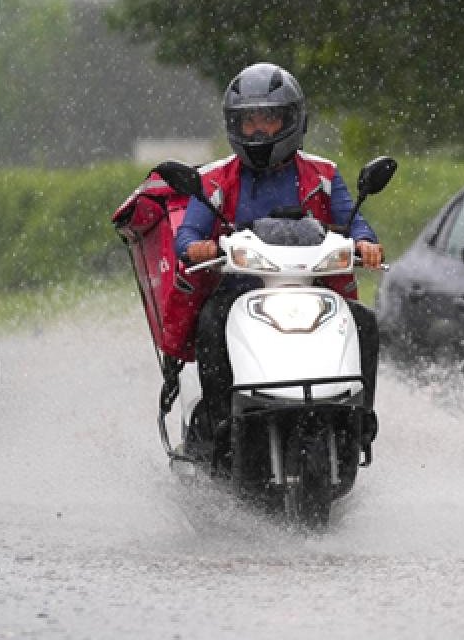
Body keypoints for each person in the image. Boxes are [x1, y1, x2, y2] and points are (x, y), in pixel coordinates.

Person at [173, 62, 383, 458]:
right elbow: (186, 234)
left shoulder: (323, 173)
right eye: (248, 120)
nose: (257, 130)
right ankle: (221, 425)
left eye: (268, 119)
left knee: (364, 322)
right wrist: (194, 248)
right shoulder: (215, 179)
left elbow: (353, 221)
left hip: (311, 287)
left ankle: (359, 420)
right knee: (210, 322)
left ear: (291, 120)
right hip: (239, 292)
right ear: (234, 124)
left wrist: (365, 244)